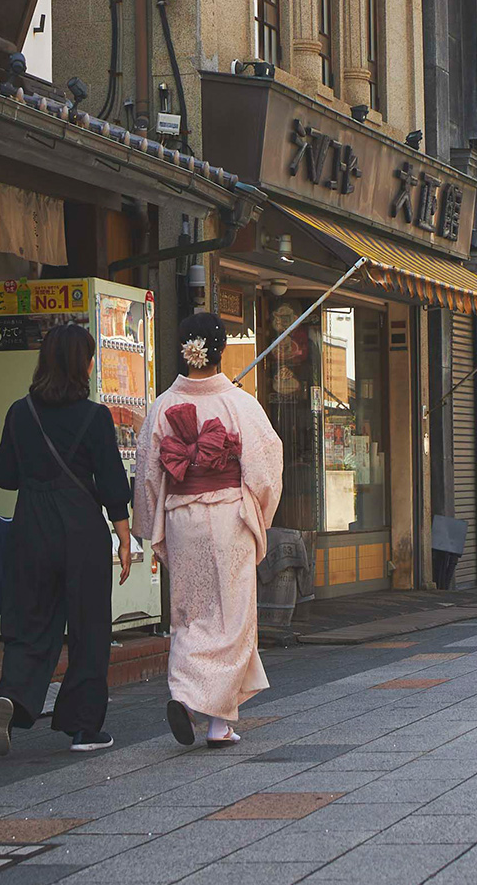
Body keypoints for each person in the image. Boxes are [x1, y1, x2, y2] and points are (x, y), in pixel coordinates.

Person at [0, 322, 135, 757]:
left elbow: (2, 474)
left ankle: (14, 696)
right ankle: (84, 728)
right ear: (81, 365)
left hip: (31, 526)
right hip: (81, 530)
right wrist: (123, 538)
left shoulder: (19, 412)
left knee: (29, 621)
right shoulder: (95, 416)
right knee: (88, 628)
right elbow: (110, 482)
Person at [134, 311, 284, 748]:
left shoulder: (162, 405)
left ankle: (195, 704)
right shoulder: (240, 404)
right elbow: (265, 468)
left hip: (183, 516)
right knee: (232, 618)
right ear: (219, 351)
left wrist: (152, 527)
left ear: (184, 350)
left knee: (190, 612)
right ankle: (211, 715)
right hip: (228, 518)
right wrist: (260, 515)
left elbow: (147, 473)